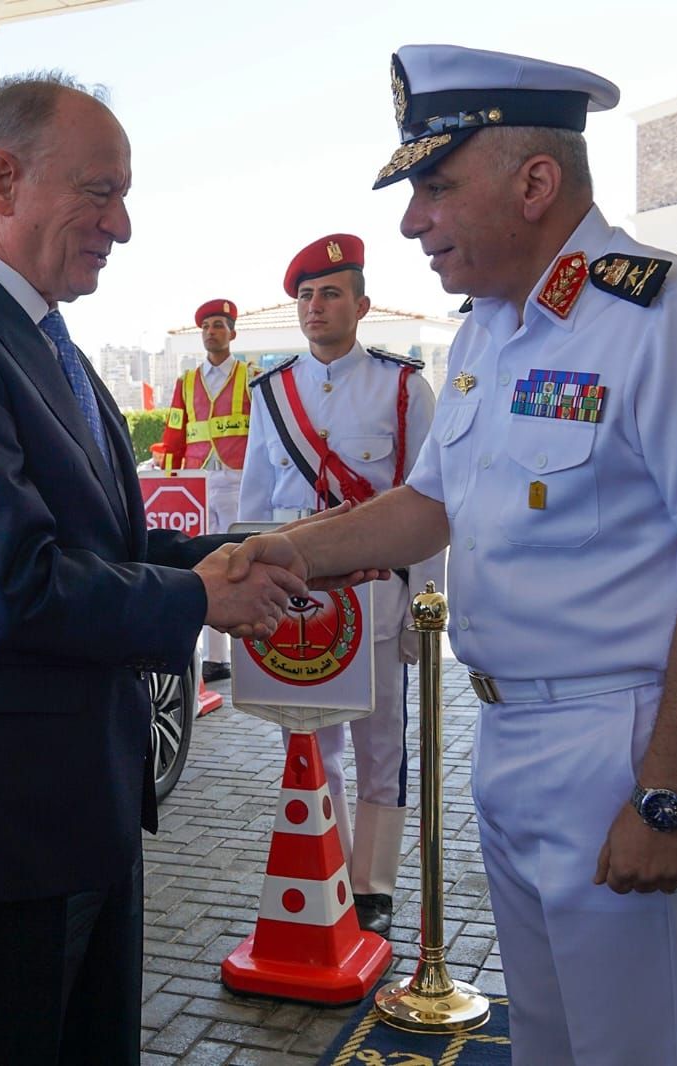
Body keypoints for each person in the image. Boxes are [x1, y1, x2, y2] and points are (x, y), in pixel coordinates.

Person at [228, 44, 677, 1066]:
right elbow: (424, 506)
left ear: (535, 183)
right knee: (550, 1045)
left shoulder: (668, 317)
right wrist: (271, 550)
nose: (412, 221)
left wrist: (666, 793)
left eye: (436, 186)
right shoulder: (488, 330)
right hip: (509, 736)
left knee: (636, 1051)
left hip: (623, 743)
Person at [0, 72, 316, 1065]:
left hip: (85, 803)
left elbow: (108, 540)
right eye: (100, 193)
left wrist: (238, 554)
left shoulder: (41, 334)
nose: (123, 225)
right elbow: (11, 584)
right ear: (2, 180)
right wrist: (199, 595)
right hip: (5, 824)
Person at [237, 233, 441, 935]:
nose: (315, 307)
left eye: (330, 293)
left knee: (381, 745)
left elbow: (431, 505)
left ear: (361, 304)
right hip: (296, 601)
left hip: (377, 595)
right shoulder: (272, 391)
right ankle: (325, 871)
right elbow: (254, 504)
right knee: (309, 741)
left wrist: (424, 607)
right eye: (305, 296)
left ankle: (373, 883)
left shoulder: (403, 387)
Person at [158, 298, 250, 682]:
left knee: (239, 563)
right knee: (204, 564)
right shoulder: (187, 382)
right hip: (197, 484)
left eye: (218, 325)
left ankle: (244, 653)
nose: (211, 332)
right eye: (207, 326)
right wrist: (170, 476)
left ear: (232, 333)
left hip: (237, 479)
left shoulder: (250, 376)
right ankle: (214, 658)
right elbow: (174, 433)